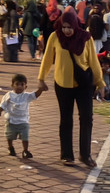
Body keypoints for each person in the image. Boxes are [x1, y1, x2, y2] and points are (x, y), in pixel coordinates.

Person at [37, 9, 105, 168]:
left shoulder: (85, 38)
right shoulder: (55, 37)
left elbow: (94, 63)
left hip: (84, 85)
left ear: (75, 25)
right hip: (63, 84)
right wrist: (41, 79)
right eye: (64, 27)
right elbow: (47, 59)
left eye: (70, 27)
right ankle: (67, 155)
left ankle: (85, 155)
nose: (67, 30)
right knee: (66, 120)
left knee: (87, 119)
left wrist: (101, 83)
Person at [0, 73, 41, 159]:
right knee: (10, 136)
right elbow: (3, 104)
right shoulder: (9, 95)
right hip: (11, 120)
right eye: (17, 84)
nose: (19, 87)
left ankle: (25, 151)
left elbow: (35, 95)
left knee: (25, 136)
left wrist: (41, 89)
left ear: (25, 87)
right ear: (12, 85)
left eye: (22, 85)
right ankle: (11, 147)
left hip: (23, 121)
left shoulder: (26, 96)